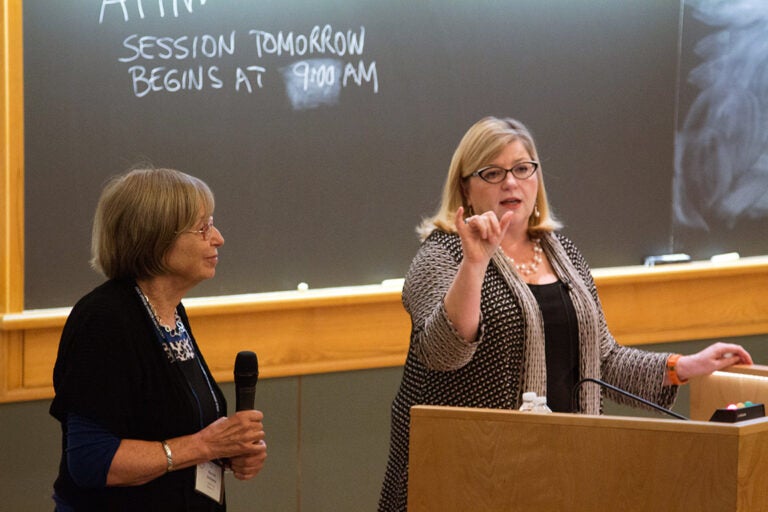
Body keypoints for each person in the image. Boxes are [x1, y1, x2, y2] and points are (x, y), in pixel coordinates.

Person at [377, 117, 753, 511]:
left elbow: (602, 360)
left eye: (523, 169)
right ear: (465, 189)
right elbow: (444, 352)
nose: (511, 182)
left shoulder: (562, 253)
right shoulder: (441, 256)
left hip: (558, 469)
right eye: (493, 172)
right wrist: (475, 264)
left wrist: (684, 366)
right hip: (469, 471)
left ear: (537, 179)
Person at [50, 168, 267, 511]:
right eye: (203, 227)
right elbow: (91, 461)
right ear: (156, 238)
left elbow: (168, 427)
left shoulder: (168, 312)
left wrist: (228, 450)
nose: (218, 238)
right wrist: (205, 446)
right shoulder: (106, 320)